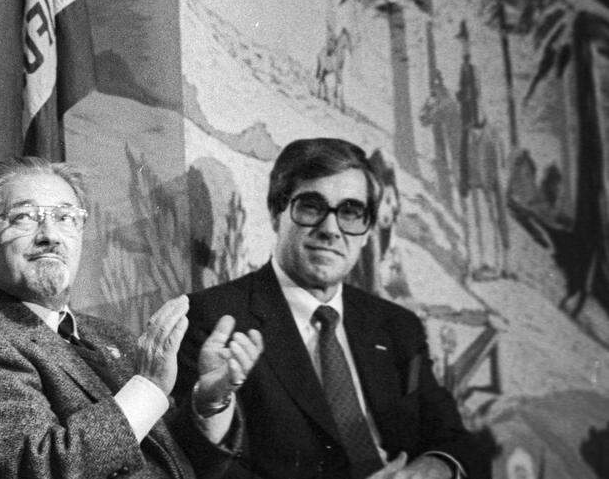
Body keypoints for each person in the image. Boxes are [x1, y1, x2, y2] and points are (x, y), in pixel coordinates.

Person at [0, 156, 263, 479]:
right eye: (24, 217)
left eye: (65, 217)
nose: (50, 235)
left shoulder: (112, 337)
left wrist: (208, 403)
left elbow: (173, 464)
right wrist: (148, 388)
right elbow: (38, 469)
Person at [176, 137, 479, 479]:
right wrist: (210, 404)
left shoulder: (398, 326)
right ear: (277, 213)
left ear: (366, 232)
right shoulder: (212, 319)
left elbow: (455, 439)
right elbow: (196, 466)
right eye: (311, 207)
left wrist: (434, 468)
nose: (331, 229)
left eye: (351, 213)